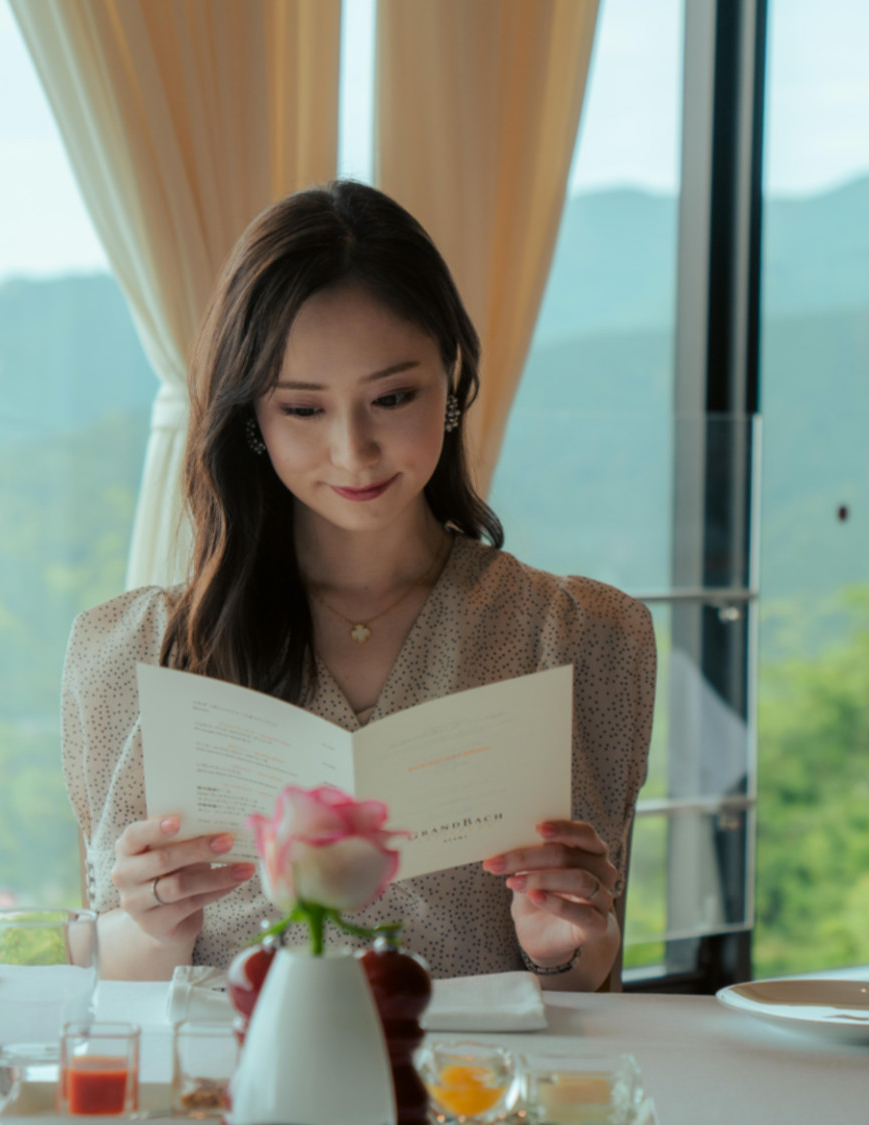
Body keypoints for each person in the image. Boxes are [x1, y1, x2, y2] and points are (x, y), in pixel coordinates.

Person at [59, 181, 656, 991]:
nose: (354, 451)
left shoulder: (575, 636)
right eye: (303, 409)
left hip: (462, 1106)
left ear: (452, 378)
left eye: (393, 397)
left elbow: (585, 989)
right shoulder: (139, 653)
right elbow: (107, 976)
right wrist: (152, 922)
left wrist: (562, 939)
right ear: (252, 422)